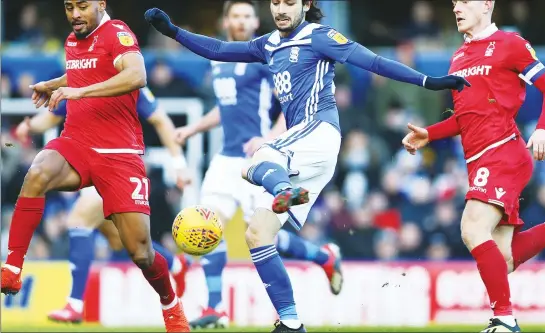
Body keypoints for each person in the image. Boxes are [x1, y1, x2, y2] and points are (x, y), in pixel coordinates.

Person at [146, 0, 468, 331]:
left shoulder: (319, 36)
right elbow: (218, 49)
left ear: (306, 4)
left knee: (253, 163)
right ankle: (291, 322)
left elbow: (372, 61)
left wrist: (430, 81)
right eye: (275, 2)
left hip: (318, 133)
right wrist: (173, 32)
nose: (281, 9)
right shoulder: (268, 44)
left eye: (289, 2)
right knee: (258, 235)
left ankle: (284, 188)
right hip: (303, 152)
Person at [402, 1, 545, 332]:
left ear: (487, 4)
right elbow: (466, 118)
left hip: (503, 152)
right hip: (478, 158)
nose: (456, 7)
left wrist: (542, 129)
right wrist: (430, 133)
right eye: (454, 2)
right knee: (503, 260)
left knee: (471, 228)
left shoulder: (510, 44)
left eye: (465, 1)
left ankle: (504, 320)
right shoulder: (459, 57)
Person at [1, 1, 189, 331]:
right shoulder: (73, 40)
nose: (75, 14)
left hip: (119, 154)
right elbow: (82, 71)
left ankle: (170, 303)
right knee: (38, 170)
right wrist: (56, 84)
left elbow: (137, 75)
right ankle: (13, 267)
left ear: (101, 4)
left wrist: (77, 91)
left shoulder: (118, 33)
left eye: (82, 6)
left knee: (140, 252)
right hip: (77, 143)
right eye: (69, 6)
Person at [171, 1, 343, 329]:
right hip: (225, 160)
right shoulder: (220, 62)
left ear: (254, 20)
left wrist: (270, 140)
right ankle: (216, 306)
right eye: (235, 15)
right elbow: (227, 109)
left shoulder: (268, 55)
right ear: (226, 21)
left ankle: (324, 257)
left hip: (263, 160)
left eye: (247, 15)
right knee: (208, 224)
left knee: (265, 235)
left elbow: (288, 105)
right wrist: (193, 128)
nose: (241, 20)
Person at [14, 88, 192, 324]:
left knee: (79, 218)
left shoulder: (127, 81)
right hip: (88, 164)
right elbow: (52, 115)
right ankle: (174, 263)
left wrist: (179, 164)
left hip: (120, 168)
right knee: (121, 240)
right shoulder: (82, 78)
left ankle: (75, 304)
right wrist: (29, 126)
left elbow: (160, 119)